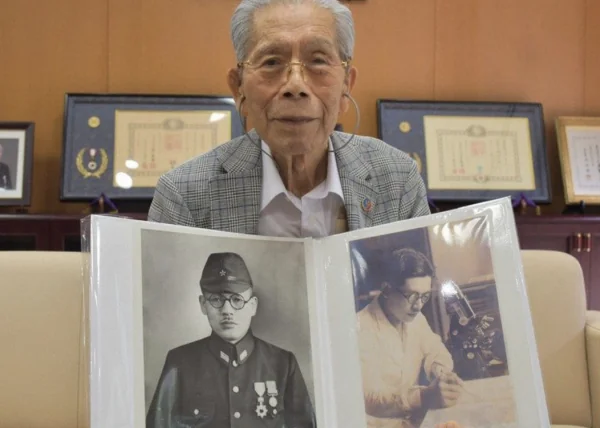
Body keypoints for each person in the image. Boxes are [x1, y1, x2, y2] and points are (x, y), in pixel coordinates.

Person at [148, 0, 430, 236]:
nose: (295, 85)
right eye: (271, 62)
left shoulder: (397, 179)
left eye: (318, 61)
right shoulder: (184, 194)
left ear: (347, 85)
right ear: (239, 88)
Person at [146, 252, 316, 428]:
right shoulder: (179, 362)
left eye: (237, 300)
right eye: (216, 299)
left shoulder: (283, 364)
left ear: (253, 306)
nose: (227, 310)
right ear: (203, 305)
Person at [356, 248, 464, 428]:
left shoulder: (416, 319)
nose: (419, 305)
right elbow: (370, 399)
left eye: (425, 296)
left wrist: (442, 375)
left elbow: (435, 350)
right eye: (412, 296)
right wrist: (425, 396)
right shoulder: (358, 328)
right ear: (387, 289)